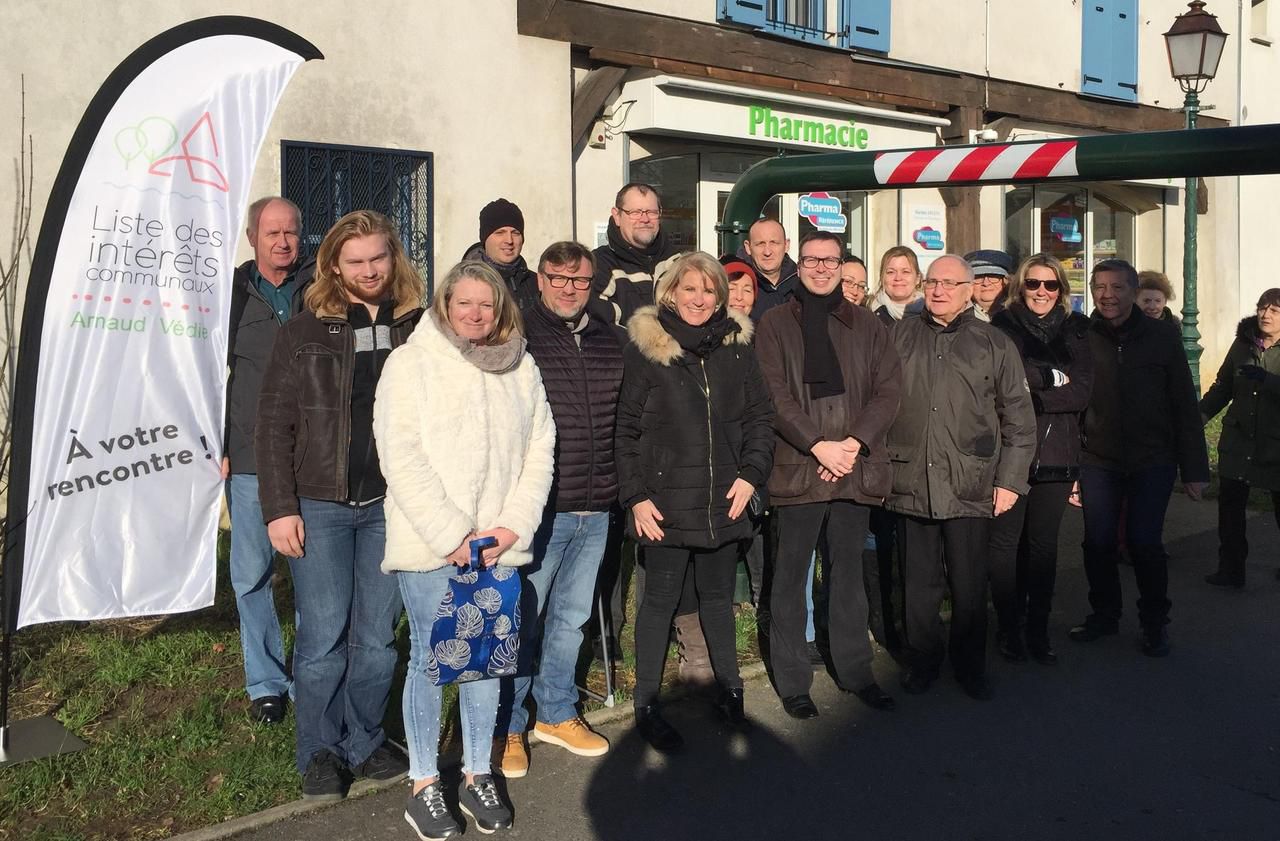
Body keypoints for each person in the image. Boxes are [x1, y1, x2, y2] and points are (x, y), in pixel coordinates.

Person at [374, 260, 555, 837]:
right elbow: (400, 455)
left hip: (498, 544)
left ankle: (478, 772)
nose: (475, 314)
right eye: (464, 303)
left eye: (487, 305)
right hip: (434, 547)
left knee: (488, 663)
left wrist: (511, 527)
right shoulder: (411, 364)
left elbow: (539, 452)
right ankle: (425, 783)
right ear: (444, 306)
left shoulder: (521, 368)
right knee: (435, 661)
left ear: (501, 308)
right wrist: (451, 534)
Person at [256, 210, 423, 798]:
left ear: (393, 257)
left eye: (378, 257)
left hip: (392, 504)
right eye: (355, 261)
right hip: (321, 504)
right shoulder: (303, 332)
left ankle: (365, 738)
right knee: (324, 636)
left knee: (377, 637)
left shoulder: (419, 327)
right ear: (333, 264)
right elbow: (274, 425)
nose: (369, 270)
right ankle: (320, 751)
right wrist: (280, 507)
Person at [614, 251, 775, 752]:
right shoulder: (649, 351)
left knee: (717, 602)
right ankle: (646, 704)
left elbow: (760, 420)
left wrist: (751, 476)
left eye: (708, 291)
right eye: (690, 289)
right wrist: (636, 497)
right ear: (670, 294)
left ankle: (729, 693)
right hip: (663, 505)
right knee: (658, 604)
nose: (699, 299)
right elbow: (625, 431)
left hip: (723, 500)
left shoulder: (736, 348)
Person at [756, 231, 903, 719]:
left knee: (847, 580)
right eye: (812, 260)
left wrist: (853, 444)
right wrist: (818, 444)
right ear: (799, 265)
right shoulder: (775, 323)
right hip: (798, 467)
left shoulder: (868, 325)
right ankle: (794, 679)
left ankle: (856, 671)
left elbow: (888, 392)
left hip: (853, 469)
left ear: (843, 266)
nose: (821, 268)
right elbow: (773, 395)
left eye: (830, 260)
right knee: (790, 577)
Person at [493, 241, 622, 779]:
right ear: (540, 280)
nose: (569, 288)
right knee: (526, 617)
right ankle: (510, 724)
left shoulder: (611, 341)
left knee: (572, 618)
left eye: (580, 280)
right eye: (558, 278)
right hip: (542, 506)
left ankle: (556, 712)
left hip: (599, 503)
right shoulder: (517, 337)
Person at [885, 254, 1036, 700]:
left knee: (969, 584)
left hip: (971, 481)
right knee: (918, 583)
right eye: (932, 282)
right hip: (910, 478)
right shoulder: (900, 336)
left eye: (950, 284)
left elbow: (1019, 419)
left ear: (970, 291)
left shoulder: (993, 343)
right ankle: (923, 659)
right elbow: (877, 402)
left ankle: (970, 666)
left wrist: (1010, 481)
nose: (939, 291)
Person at [1069, 259, 1209, 657]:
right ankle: (1105, 614)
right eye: (1100, 287)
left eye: (1117, 287)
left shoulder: (1162, 337)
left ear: (1132, 291)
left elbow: (1184, 403)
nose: (1107, 295)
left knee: (1144, 541)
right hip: (1097, 457)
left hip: (1153, 458)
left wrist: (1194, 469)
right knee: (1097, 543)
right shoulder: (1081, 335)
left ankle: (1154, 622)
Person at [225, 196, 312, 725]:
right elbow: (206, 376)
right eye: (272, 233)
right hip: (251, 455)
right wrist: (215, 443)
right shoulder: (229, 296)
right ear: (252, 237)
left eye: (292, 232)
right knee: (252, 574)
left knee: (311, 577)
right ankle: (265, 682)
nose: (283, 242)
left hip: (310, 457)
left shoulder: (320, 288)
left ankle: (310, 675)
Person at [988, 254, 1094, 665]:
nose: (1042, 293)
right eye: (1033, 284)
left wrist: (1030, 395)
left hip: (1057, 453)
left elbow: (1082, 393)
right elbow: (1001, 383)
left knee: (1042, 547)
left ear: (1062, 291)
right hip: (1009, 453)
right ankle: (1008, 626)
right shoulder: (1002, 329)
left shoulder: (1078, 332)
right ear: (1021, 286)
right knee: (1004, 545)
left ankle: (1038, 627)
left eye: (1051, 285)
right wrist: (1049, 379)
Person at [1199, 289, 1280, 588]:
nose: (1266, 315)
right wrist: (1200, 417)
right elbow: (1223, 386)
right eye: (1262, 308)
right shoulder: (1243, 344)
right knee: (1230, 508)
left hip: (1275, 444)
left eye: (1274, 310)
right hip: (1239, 442)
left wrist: (1269, 381)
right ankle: (1231, 569)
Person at [592, 182, 681, 326]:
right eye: (635, 212)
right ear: (617, 216)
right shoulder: (600, 265)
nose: (644, 219)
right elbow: (605, 329)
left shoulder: (678, 264)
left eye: (651, 212)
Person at [461, 198, 539, 312]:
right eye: (500, 233)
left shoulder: (537, 283)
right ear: (485, 239)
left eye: (515, 233)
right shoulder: (461, 283)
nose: (509, 240)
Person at [743, 218, 799, 320]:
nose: (767, 252)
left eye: (774, 243)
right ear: (748, 247)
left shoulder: (803, 282)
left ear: (786, 245)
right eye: (760, 244)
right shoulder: (736, 286)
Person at [870, 245, 924, 326]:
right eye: (891, 272)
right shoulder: (869, 316)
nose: (898, 278)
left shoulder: (933, 315)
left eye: (905, 272)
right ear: (882, 278)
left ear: (917, 278)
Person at [966, 249, 1016, 322]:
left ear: (1005, 281)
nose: (986, 283)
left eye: (992, 276)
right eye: (978, 277)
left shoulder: (1018, 315)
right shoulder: (957, 318)